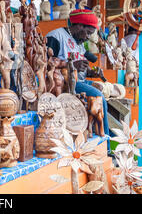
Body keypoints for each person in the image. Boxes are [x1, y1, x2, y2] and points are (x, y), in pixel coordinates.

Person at [46, 9, 110, 143]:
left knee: (104, 88)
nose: (87, 37)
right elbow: (44, 64)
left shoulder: (79, 43)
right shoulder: (56, 36)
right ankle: (106, 144)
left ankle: (98, 138)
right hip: (64, 83)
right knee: (99, 97)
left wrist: (91, 73)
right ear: (79, 25)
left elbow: (80, 67)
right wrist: (71, 66)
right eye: (87, 32)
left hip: (79, 80)